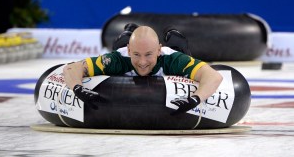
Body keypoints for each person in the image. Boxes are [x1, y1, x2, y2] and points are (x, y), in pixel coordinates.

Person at [63, 24, 223, 115]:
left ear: (159, 50)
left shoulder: (173, 59)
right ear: (129, 50)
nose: (142, 62)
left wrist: (194, 99)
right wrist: (77, 88)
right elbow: (72, 68)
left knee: (181, 49)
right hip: (124, 51)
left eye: (148, 54)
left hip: (172, 58)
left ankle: (175, 40)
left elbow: (213, 76)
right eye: (136, 54)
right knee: (119, 47)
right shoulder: (118, 58)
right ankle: (127, 34)